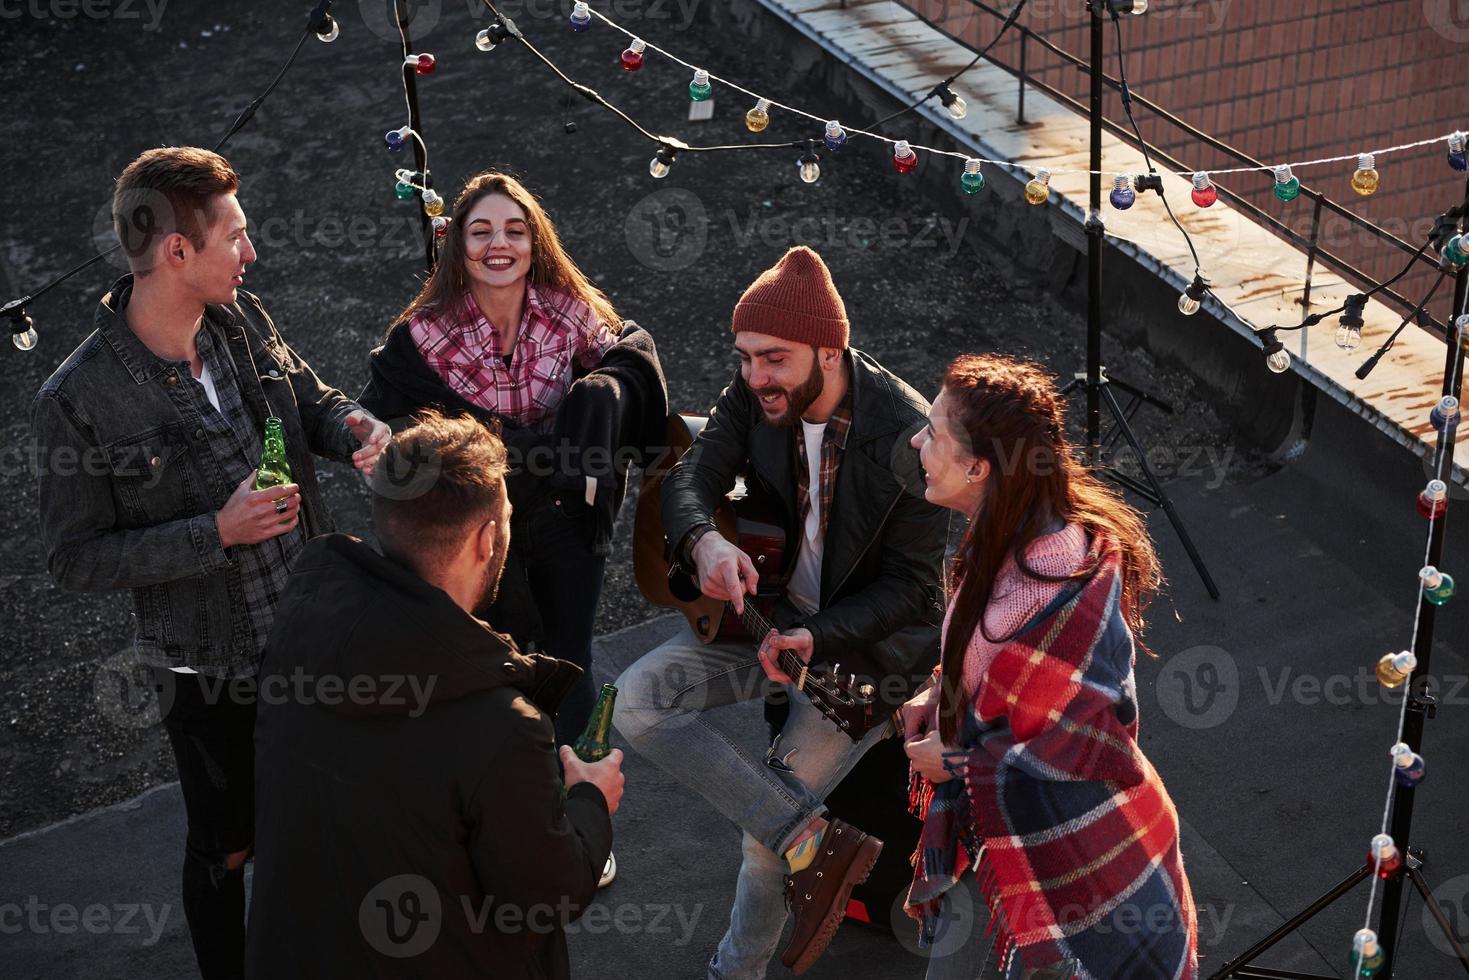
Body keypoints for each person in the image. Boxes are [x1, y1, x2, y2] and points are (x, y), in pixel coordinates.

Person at [30, 146, 391, 980]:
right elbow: (73, 560)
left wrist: (359, 434)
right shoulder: (76, 401)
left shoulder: (240, 321)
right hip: (206, 669)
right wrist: (214, 532)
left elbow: (311, 400)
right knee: (226, 850)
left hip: (311, 627)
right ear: (176, 252)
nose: (251, 253)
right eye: (236, 235)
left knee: (327, 814)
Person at [613, 246, 948, 978]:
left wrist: (815, 633)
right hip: (761, 622)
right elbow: (689, 479)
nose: (754, 376)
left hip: (865, 654)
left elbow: (915, 592)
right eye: (744, 358)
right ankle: (812, 839)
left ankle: (734, 970)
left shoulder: (908, 434)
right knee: (636, 704)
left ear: (828, 351)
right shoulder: (751, 398)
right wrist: (701, 540)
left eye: (773, 359)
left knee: (759, 845)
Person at [246, 411, 624, 979]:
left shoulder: (302, 633)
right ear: (488, 538)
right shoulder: (503, 727)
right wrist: (591, 800)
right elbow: (551, 896)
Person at [901, 354, 1198, 980]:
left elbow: (1060, 752)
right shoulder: (1015, 531)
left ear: (979, 467)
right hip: (1005, 828)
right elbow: (991, 684)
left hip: (1052, 843)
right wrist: (939, 696)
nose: (917, 442)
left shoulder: (1040, 587)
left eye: (933, 432)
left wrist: (949, 760)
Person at [359, 171, 665, 758]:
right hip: (479, 524)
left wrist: (598, 393)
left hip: (566, 514)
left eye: (513, 230)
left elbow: (631, 361)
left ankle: (582, 799)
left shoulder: (568, 312)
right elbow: (376, 416)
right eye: (481, 231)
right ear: (457, 245)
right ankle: (509, 790)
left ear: (534, 241)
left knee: (569, 660)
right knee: (496, 661)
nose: (498, 244)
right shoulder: (423, 334)